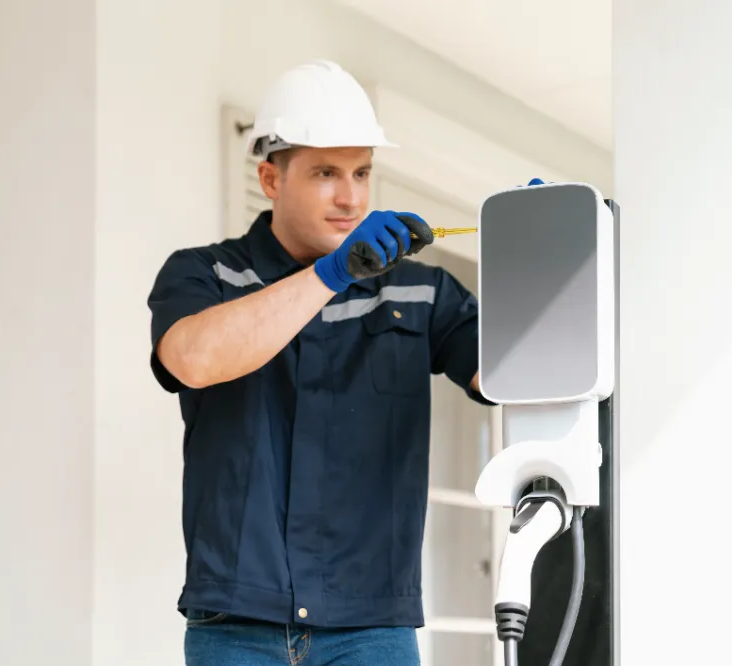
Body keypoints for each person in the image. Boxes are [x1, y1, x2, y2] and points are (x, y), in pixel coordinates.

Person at [147, 60, 494, 666]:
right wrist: (331, 275)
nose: (352, 196)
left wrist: (543, 256)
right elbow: (193, 360)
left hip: (372, 630)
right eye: (326, 173)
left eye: (362, 171)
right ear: (271, 179)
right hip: (235, 626)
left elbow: (512, 377)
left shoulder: (422, 294)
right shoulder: (208, 275)